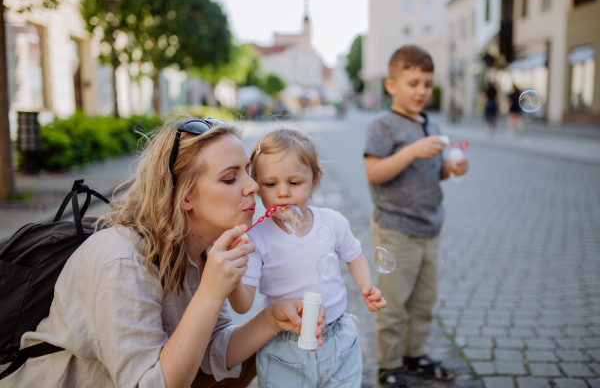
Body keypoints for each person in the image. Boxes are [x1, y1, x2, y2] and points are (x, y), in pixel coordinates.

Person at [1, 115, 326, 388]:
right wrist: (211, 293)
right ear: (183, 196)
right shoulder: (121, 258)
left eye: (247, 172)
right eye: (230, 178)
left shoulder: (202, 249)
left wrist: (270, 319)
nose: (253, 186)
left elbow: (210, 348)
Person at [227, 128, 387, 388]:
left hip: (338, 339)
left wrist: (366, 286)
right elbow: (243, 305)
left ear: (314, 182)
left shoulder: (333, 221)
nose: (282, 193)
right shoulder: (257, 238)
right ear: (256, 188)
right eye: (270, 184)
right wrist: (231, 272)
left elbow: (354, 254)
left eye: (294, 183)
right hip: (284, 346)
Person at [363, 45, 469, 388]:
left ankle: (414, 354)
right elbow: (375, 173)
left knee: (423, 302)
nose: (422, 90)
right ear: (392, 85)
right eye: (413, 83)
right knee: (393, 305)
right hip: (395, 230)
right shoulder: (383, 126)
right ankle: (388, 365)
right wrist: (410, 151)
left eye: (427, 83)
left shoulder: (431, 124)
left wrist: (452, 168)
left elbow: (432, 171)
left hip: (429, 229)